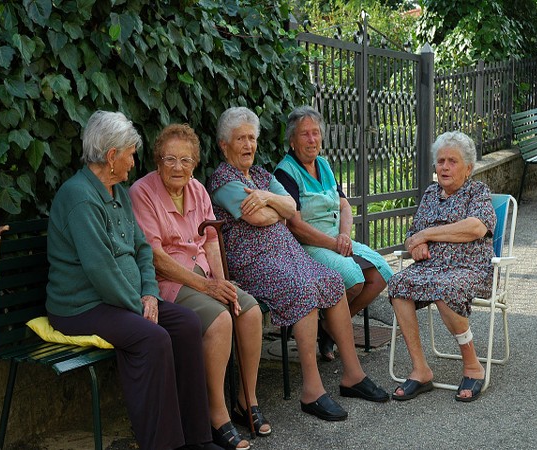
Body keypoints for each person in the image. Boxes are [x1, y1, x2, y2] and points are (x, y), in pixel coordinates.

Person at [46, 110, 221, 450]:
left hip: (125, 299)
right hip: (82, 306)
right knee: (152, 337)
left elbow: (142, 249)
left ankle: (197, 438)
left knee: (185, 323)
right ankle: (163, 443)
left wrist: (150, 295)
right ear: (112, 157)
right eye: (129, 153)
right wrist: (137, 306)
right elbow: (101, 270)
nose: (133, 160)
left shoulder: (117, 191)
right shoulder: (80, 197)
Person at [207, 106, 389, 422]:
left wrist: (267, 199)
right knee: (303, 289)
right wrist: (273, 204)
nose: (249, 145)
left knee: (330, 279)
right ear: (224, 145)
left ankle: (352, 376)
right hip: (255, 263)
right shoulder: (224, 180)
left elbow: (292, 206)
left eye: (252, 137)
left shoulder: (262, 176)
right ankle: (312, 391)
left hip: (287, 255)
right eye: (240, 139)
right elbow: (260, 217)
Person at [129, 124, 267, 450]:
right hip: (170, 283)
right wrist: (207, 288)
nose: (178, 167)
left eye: (186, 160)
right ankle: (216, 415)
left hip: (204, 276)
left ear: (194, 163)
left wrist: (221, 283)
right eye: (170, 159)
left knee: (248, 311)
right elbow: (156, 258)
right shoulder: (141, 192)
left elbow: (211, 242)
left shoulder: (198, 190)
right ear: (157, 161)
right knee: (219, 319)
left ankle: (248, 400)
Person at [274, 106, 394, 361]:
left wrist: (344, 236)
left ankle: (328, 327)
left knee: (383, 272)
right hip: (308, 245)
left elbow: (344, 204)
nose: (312, 139)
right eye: (305, 134)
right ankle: (330, 327)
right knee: (353, 276)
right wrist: (332, 242)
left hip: (337, 240)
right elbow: (293, 224)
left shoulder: (324, 164)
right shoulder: (285, 172)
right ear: (292, 141)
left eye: (316, 133)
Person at [386, 130, 496, 403]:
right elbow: (414, 233)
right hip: (431, 266)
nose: (444, 167)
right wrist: (416, 243)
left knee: (444, 286)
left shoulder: (477, 192)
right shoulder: (430, 193)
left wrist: (428, 234)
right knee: (398, 284)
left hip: (469, 267)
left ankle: (472, 365)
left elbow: (476, 227)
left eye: (452, 161)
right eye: (441, 161)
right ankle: (420, 369)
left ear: (468, 168)